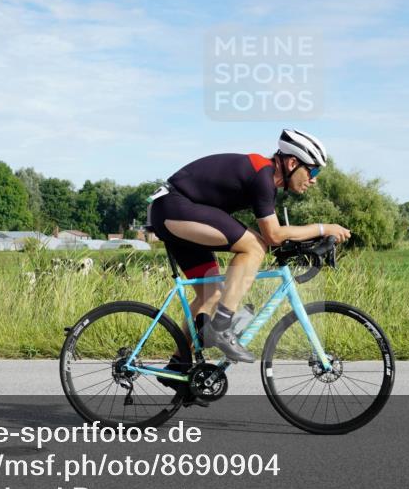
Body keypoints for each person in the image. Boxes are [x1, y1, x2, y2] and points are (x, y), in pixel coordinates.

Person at [147, 129, 351, 366]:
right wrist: (323, 228)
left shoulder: (264, 177)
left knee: (210, 293)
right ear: (293, 162)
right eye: (313, 170)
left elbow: (276, 235)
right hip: (175, 208)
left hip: (174, 211)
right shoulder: (262, 176)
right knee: (254, 247)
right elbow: (273, 235)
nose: (314, 179)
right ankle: (222, 327)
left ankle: (178, 365)